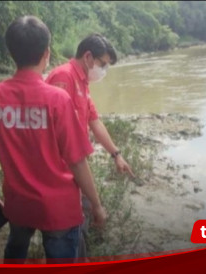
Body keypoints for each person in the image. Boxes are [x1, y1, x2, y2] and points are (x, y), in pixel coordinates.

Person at [0, 16, 106, 264]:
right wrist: (96, 205)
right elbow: (77, 161)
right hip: (60, 210)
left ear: (12, 54)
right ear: (46, 53)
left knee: (15, 250)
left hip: (19, 205)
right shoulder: (57, 100)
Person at [45, 34, 134, 257]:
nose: (103, 70)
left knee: (80, 220)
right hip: (61, 171)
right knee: (70, 227)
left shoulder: (82, 81)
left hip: (75, 166)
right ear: (88, 57)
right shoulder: (63, 78)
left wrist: (116, 154)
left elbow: (94, 121)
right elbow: (56, 136)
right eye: (103, 64)